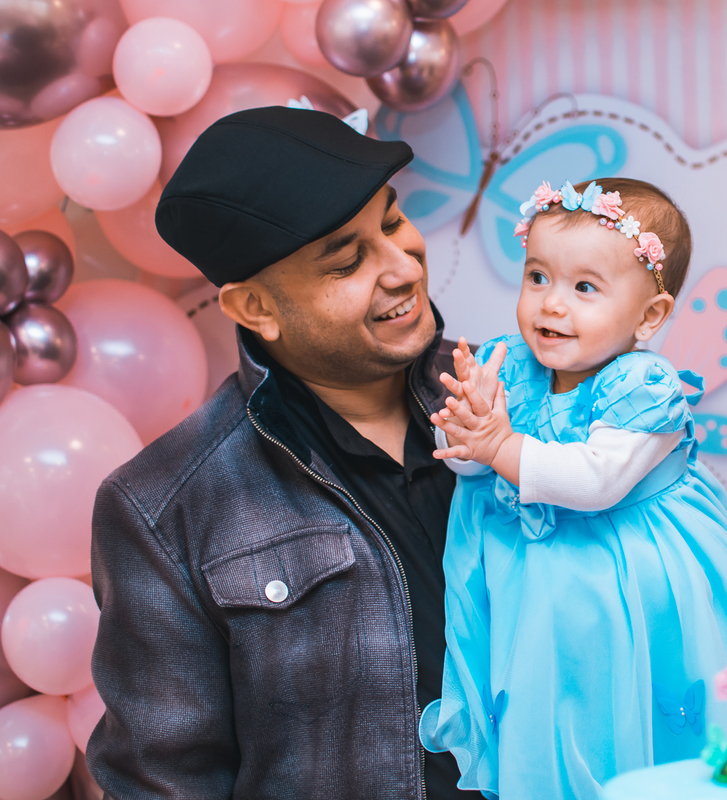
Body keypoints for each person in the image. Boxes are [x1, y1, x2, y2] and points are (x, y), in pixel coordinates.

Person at [88, 106, 483, 799]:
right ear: (256, 308)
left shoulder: (520, 402)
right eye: (348, 261)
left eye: (391, 223)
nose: (401, 268)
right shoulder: (165, 508)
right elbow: (164, 783)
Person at [417, 178, 727, 800]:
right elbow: (478, 472)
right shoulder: (514, 361)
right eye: (538, 278)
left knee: (630, 704)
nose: (552, 305)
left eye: (584, 288)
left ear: (650, 316)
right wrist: (471, 440)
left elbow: (594, 482)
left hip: (625, 577)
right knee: (547, 699)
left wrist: (500, 446)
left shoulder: (644, 387)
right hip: (536, 582)